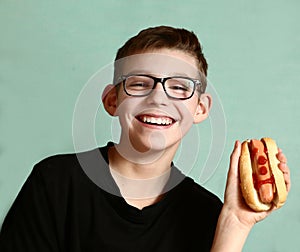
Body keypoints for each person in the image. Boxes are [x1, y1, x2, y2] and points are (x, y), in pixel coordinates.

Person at [0, 25, 291, 252]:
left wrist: (235, 224)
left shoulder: (208, 214)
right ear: (112, 100)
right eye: (140, 83)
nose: (158, 98)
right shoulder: (55, 183)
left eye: (179, 87)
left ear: (200, 108)